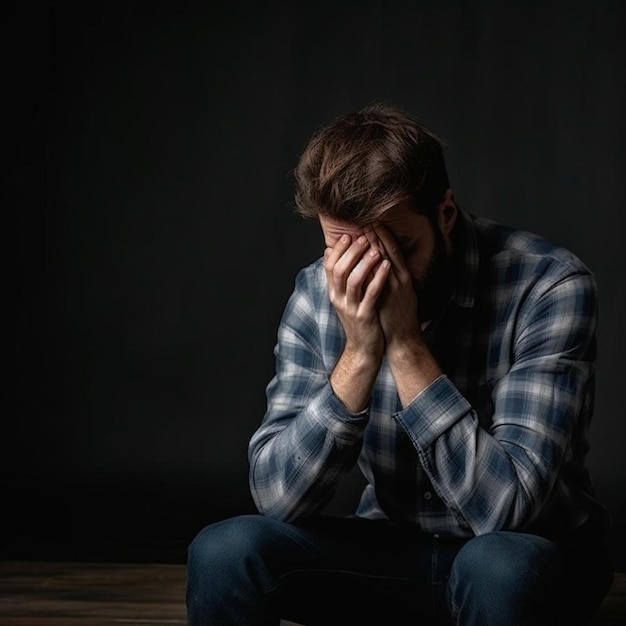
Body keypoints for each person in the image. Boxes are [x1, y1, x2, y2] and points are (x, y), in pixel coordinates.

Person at [186, 103, 614, 625]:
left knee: (496, 566)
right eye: (345, 251)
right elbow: (277, 499)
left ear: (446, 214)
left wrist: (407, 345)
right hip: (396, 546)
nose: (374, 275)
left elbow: (507, 510)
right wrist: (360, 355)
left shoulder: (547, 285)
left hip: (532, 554)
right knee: (224, 551)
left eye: (399, 247)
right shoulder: (315, 293)